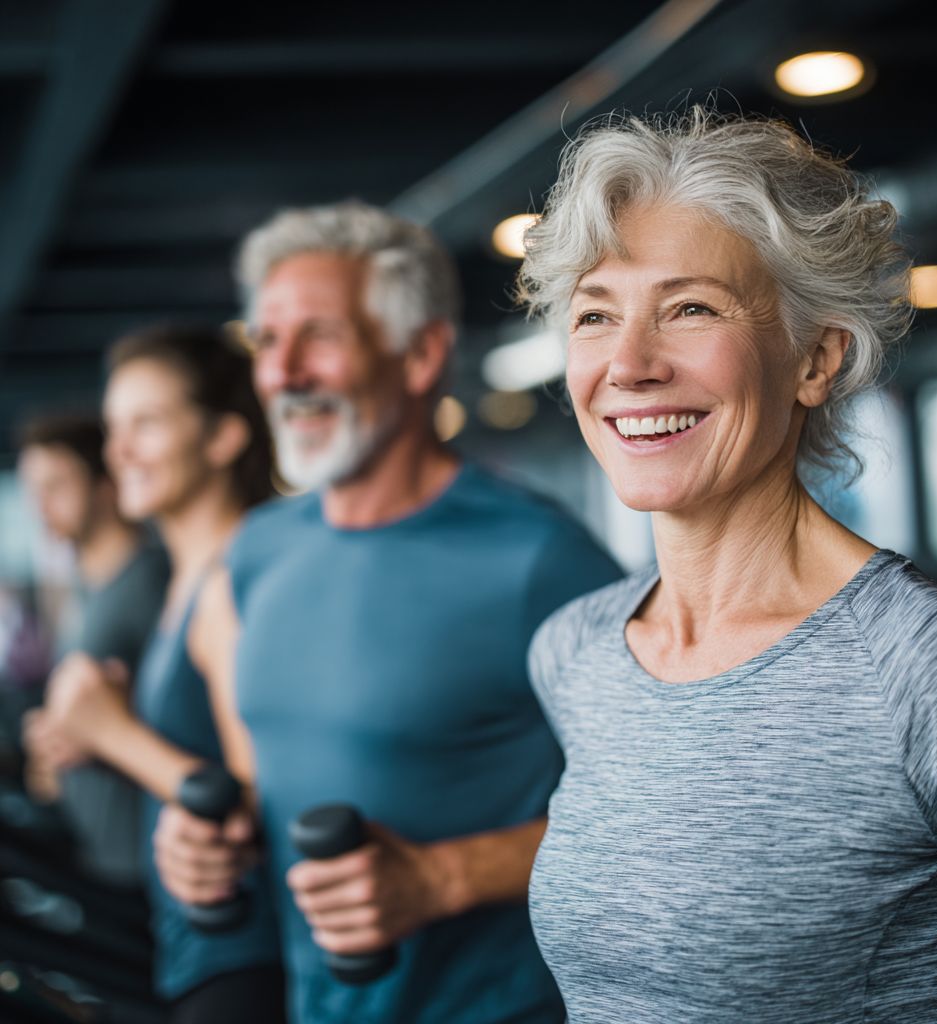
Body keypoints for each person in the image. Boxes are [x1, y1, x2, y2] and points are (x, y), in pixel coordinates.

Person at [518, 108, 937, 1023]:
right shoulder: (576, 653)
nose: (628, 363)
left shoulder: (933, 670)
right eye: (596, 314)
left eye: (691, 308)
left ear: (816, 359)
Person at [151, 201, 622, 1024]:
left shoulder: (538, 558)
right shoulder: (258, 549)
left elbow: (658, 815)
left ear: (419, 354)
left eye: (320, 336)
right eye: (267, 340)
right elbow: (284, 775)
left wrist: (441, 877)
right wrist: (205, 847)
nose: (284, 372)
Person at [27, 326, 286, 1024]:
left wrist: (111, 734)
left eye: (146, 423)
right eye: (115, 428)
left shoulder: (233, 582)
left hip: (242, 955)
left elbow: (259, 807)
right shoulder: (186, 582)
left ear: (223, 437)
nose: (119, 452)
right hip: (194, 940)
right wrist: (95, 741)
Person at [19, 413, 169, 885]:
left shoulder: (151, 582)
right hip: (100, 851)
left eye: (57, 485)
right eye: (33, 490)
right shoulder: (84, 590)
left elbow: (187, 719)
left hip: (148, 861)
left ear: (106, 484)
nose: (40, 505)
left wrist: (100, 735)